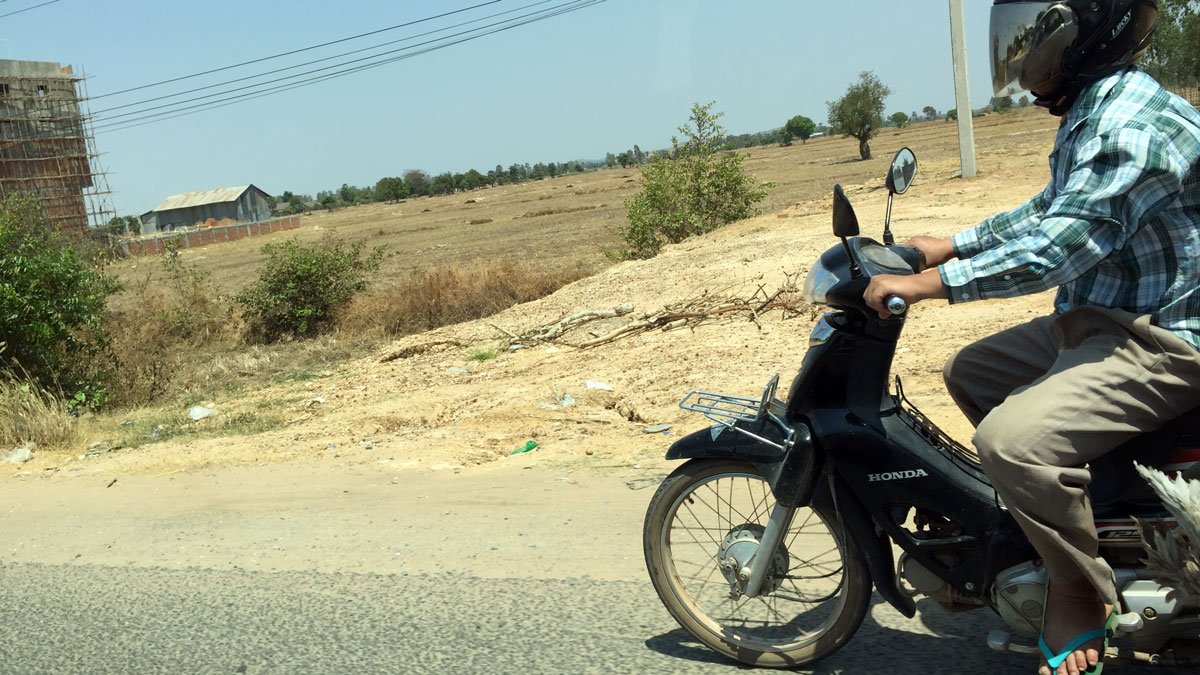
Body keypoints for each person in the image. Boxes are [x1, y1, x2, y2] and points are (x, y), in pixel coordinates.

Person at [862, 1, 1200, 674]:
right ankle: (1064, 512)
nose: (1021, 57)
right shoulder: (1098, 105)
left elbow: (1054, 247)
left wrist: (934, 284)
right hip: (1104, 314)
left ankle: (1080, 589)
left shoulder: (1129, 126)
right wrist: (950, 243)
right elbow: (1049, 207)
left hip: (1162, 339)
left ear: (1085, 35)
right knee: (972, 371)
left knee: (1009, 442)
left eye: (1035, 38)